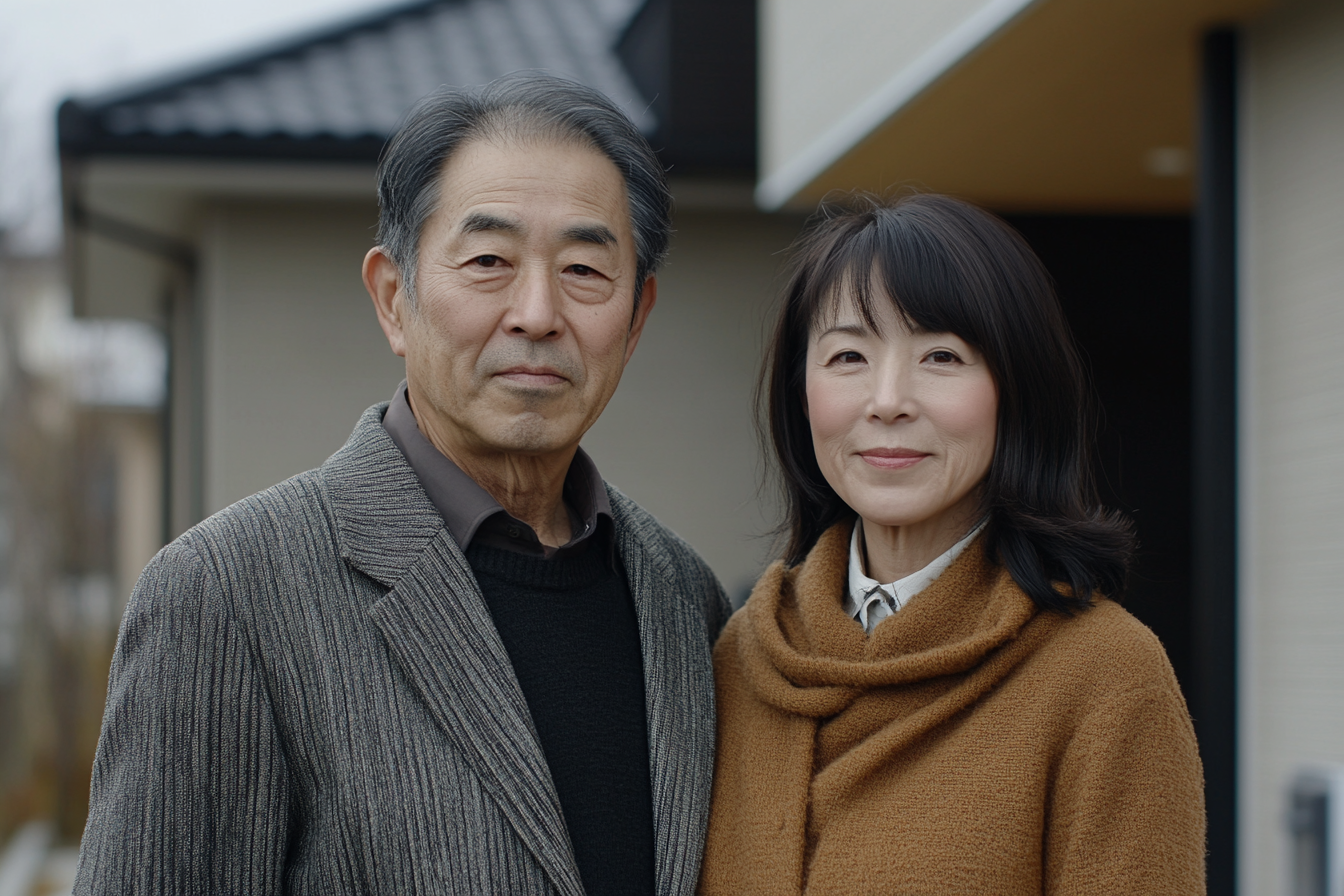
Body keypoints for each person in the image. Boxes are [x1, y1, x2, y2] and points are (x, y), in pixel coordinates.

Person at [75, 75, 731, 896]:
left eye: (585, 269)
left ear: (635, 320)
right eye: (489, 260)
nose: (537, 312)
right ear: (394, 299)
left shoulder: (684, 601)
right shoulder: (226, 596)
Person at [697, 193, 1206, 895]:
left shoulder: (1106, 678)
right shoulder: (741, 659)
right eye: (848, 354)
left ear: (1017, 389)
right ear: (801, 393)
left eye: (941, 354)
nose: (888, 399)